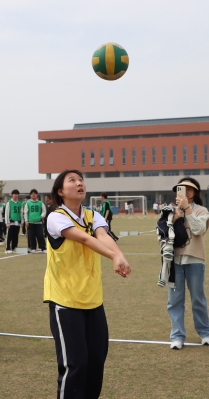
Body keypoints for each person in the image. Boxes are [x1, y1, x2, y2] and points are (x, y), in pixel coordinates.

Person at [44, 169, 131, 399]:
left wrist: (120, 256)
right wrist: (112, 257)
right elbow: (84, 238)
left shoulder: (93, 215)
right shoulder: (55, 217)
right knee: (75, 365)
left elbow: (103, 236)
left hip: (93, 301)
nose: (79, 183)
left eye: (81, 180)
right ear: (60, 191)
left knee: (95, 362)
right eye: (72, 180)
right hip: (65, 301)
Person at [165, 178, 209, 350]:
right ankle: (177, 336)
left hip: (195, 259)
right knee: (174, 301)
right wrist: (173, 218)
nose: (186, 191)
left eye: (190, 188)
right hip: (174, 260)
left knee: (198, 299)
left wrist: (187, 209)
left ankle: (205, 333)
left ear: (196, 192)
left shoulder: (201, 210)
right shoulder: (169, 209)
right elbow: (162, 232)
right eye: (182, 188)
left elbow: (199, 229)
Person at [24, 189, 46, 253]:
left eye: (35, 194)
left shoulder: (40, 203)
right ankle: (33, 248)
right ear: (30, 195)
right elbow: (25, 212)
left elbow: (44, 211)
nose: (33, 195)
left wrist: (41, 216)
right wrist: (26, 221)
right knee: (31, 236)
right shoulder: (28, 203)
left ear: (37, 195)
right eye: (32, 194)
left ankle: (43, 248)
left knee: (40, 235)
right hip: (30, 222)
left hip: (39, 222)